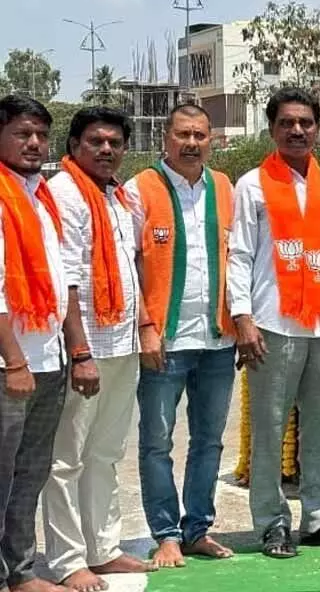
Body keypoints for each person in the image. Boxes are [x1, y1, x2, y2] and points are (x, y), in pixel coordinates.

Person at [228, 87, 320, 558]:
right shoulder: (253, 185)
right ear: (272, 130)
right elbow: (239, 254)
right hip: (273, 322)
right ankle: (271, 522)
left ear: (318, 129)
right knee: (269, 425)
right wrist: (242, 317)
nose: (298, 131)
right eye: (288, 123)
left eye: (306, 123)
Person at [43, 107, 160, 592]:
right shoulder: (64, 195)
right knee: (67, 457)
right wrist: (80, 351)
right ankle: (69, 560)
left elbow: (132, 268)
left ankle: (103, 548)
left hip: (122, 342)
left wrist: (145, 327)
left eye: (115, 142)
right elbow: (67, 279)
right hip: (85, 346)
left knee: (107, 452)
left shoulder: (122, 196)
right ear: (73, 146)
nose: (107, 150)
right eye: (96, 141)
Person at [124, 103, 237, 567]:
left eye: (200, 135)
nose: (192, 143)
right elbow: (130, 266)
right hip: (164, 343)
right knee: (157, 441)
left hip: (217, 340)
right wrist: (146, 327)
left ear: (212, 140)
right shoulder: (140, 190)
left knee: (209, 441)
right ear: (165, 139)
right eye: (183, 135)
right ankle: (166, 532)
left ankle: (197, 529)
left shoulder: (225, 187)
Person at [0, 95, 88, 592]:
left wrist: (73, 351)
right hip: (11, 363)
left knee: (29, 474)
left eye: (39, 135)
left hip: (47, 356)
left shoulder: (40, 195)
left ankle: (19, 570)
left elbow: (62, 280)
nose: (33, 143)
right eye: (22, 133)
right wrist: (14, 360)